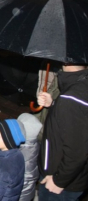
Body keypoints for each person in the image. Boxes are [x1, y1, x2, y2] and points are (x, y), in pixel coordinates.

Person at [37, 63, 88, 201]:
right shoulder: (81, 84)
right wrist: (54, 104)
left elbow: (77, 151)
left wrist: (59, 181)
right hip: (74, 177)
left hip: (59, 180)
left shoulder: (72, 99)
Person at [17, 113, 42, 201]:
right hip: (28, 190)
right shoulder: (34, 144)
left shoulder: (24, 153)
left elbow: (25, 178)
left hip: (20, 194)